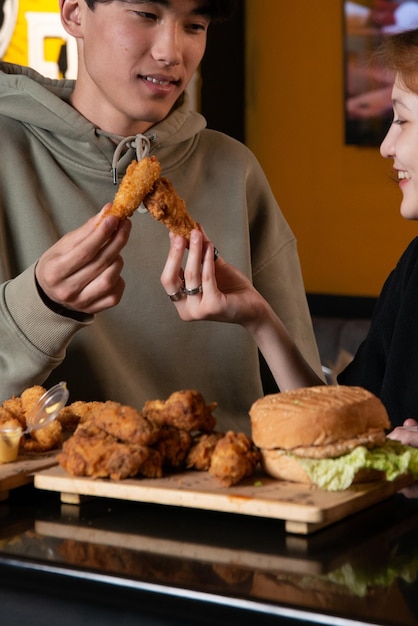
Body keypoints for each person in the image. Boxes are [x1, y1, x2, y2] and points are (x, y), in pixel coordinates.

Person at [0, 0, 322, 435]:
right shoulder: (7, 153)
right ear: (75, 13)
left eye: (195, 25)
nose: (172, 52)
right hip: (60, 493)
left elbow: (314, 408)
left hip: (237, 492)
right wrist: (40, 304)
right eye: (147, 15)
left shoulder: (235, 169)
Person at [161, 27, 418, 449]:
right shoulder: (413, 270)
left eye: (403, 120)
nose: (386, 146)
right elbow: (340, 426)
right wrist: (257, 315)